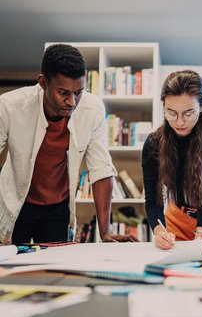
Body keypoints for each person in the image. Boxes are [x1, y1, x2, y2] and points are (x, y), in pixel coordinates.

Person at [0, 44, 137, 245]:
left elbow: (101, 170)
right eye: (63, 92)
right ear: (43, 82)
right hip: (16, 203)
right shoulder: (10, 106)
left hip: (57, 208)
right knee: (8, 268)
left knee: (52, 270)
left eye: (79, 92)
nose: (72, 101)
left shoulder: (92, 109)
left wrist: (105, 232)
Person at [142, 70, 202, 255]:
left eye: (188, 113)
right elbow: (152, 200)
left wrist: (201, 234)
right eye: (171, 113)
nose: (179, 122)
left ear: (201, 107)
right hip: (177, 219)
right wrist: (159, 229)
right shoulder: (153, 142)